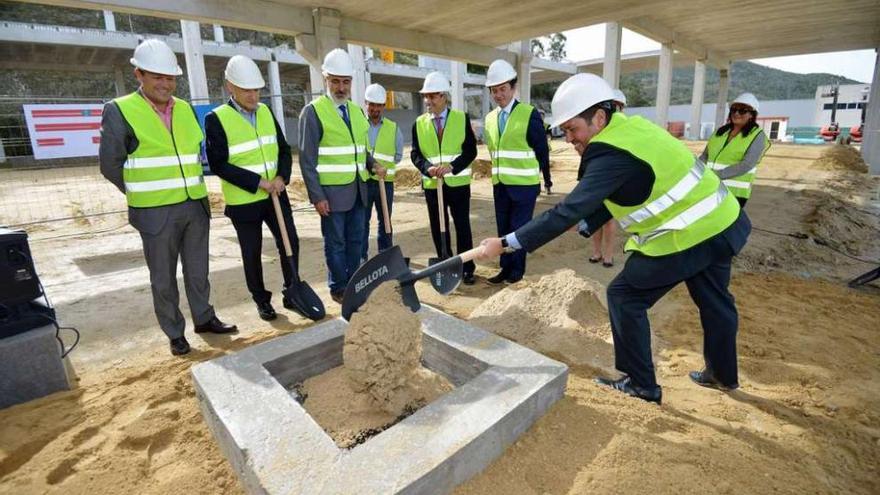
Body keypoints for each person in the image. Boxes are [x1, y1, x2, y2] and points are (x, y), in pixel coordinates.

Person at [477, 73, 751, 404]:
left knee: (624, 296)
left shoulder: (609, 153)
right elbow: (626, 187)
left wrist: (506, 243)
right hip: (724, 221)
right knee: (715, 301)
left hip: (689, 234)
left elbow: (567, 209)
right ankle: (722, 373)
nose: (569, 139)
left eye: (573, 129)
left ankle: (641, 384)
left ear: (600, 118)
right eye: (564, 131)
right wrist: (584, 223)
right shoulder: (633, 129)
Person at [99, 39, 236, 356]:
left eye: (170, 78)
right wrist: (144, 191)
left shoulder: (186, 109)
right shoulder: (120, 110)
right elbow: (110, 165)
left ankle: (204, 318)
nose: (165, 84)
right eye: (157, 76)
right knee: (163, 277)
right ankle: (175, 332)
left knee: (198, 270)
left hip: (194, 205)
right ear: (139, 75)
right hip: (154, 211)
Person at [204, 55, 299, 321]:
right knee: (252, 252)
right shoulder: (216, 119)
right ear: (230, 87)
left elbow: (282, 148)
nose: (253, 95)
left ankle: (292, 291)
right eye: (246, 89)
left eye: (256, 89)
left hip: (276, 195)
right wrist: (258, 182)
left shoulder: (266, 111)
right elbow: (219, 164)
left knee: (290, 242)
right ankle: (262, 300)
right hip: (244, 202)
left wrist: (281, 177)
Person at [298, 48, 375, 304]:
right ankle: (339, 286)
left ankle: (355, 280)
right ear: (325, 80)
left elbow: (359, 149)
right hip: (331, 194)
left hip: (358, 191)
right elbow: (307, 160)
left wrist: (373, 164)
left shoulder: (356, 111)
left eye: (345, 82)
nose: (341, 87)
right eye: (335, 81)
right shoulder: (313, 112)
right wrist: (317, 196)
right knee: (336, 243)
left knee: (357, 240)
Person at [483, 59, 551, 284]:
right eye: (494, 90)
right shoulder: (490, 119)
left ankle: (516, 273)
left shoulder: (528, 114)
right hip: (501, 185)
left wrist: (547, 179)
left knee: (518, 231)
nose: (499, 94)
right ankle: (505, 269)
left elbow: (542, 150)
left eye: (503, 89)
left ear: (513, 88)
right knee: (503, 230)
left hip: (524, 186)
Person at [411, 71, 478, 285]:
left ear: (443, 97)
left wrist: (452, 166)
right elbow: (415, 154)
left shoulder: (461, 118)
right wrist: (427, 168)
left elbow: (470, 151)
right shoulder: (419, 123)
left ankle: (467, 267)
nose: (427, 101)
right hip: (432, 185)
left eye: (432, 96)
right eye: (425, 96)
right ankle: (446, 264)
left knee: (462, 226)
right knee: (438, 226)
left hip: (457, 184)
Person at [583, 88, 628, 268]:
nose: (615, 110)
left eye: (618, 107)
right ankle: (597, 251)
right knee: (594, 215)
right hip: (596, 178)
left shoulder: (625, 129)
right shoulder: (596, 129)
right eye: (613, 106)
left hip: (613, 180)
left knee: (608, 219)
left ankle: (608, 254)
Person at [700, 93, 770, 208]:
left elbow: (747, 164)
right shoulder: (720, 132)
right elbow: (705, 156)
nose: (736, 113)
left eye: (742, 110)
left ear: (751, 115)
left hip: (734, 192)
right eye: (734, 109)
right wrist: (698, 173)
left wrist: (717, 175)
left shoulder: (757, 136)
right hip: (710, 186)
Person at [361, 83, 403, 261]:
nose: (375, 109)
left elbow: (398, 155)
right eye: (371, 104)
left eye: (378, 105)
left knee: (385, 221)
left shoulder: (393, 128)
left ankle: (385, 256)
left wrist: (385, 167)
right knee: (362, 222)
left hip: (385, 183)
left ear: (383, 106)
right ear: (366, 104)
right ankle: (361, 257)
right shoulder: (358, 125)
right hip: (363, 181)